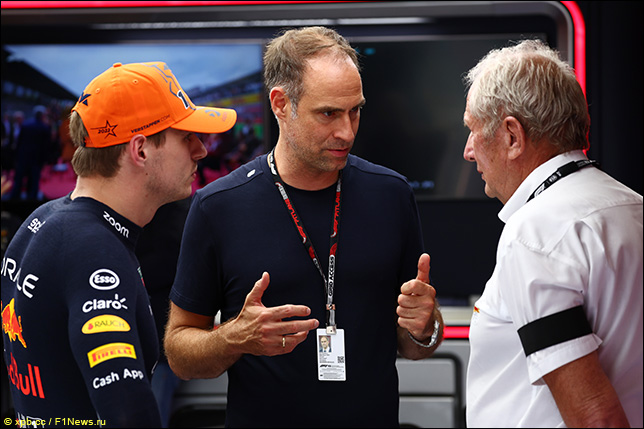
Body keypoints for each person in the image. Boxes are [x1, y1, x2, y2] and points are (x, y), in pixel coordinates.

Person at [164, 26, 444, 428]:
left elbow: (416, 344)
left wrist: (425, 327)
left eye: (355, 111)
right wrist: (232, 338)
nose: (347, 131)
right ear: (281, 104)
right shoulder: (218, 207)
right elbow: (179, 353)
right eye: (328, 113)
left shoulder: (391, 194)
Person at [1, 61, 236, 427]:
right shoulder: (93, 249)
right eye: (186, 136)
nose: (201, 150)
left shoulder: (43, 221)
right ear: (140, 150)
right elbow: (126, 411)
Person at [462, 39, 643, 428]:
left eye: (473, 130)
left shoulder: (534, 234)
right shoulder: (633, 206)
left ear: (512, 136)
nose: (468, 151)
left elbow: (595, 417)